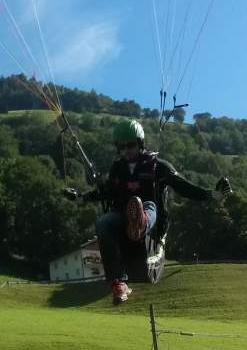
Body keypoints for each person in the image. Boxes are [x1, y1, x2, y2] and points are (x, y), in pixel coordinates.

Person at [70, 119, 231, 305]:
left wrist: (213, 195)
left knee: (147, 206)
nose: (126, 150)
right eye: (121, 147)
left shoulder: (158, 166)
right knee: (103, 223)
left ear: (140, 143)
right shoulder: (117, 169)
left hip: (152, 217)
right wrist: (80, 197)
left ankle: (140, 222)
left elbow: (184, 187)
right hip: (121, 214)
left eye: (130, 145)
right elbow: (106, 192)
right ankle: (118, 282)